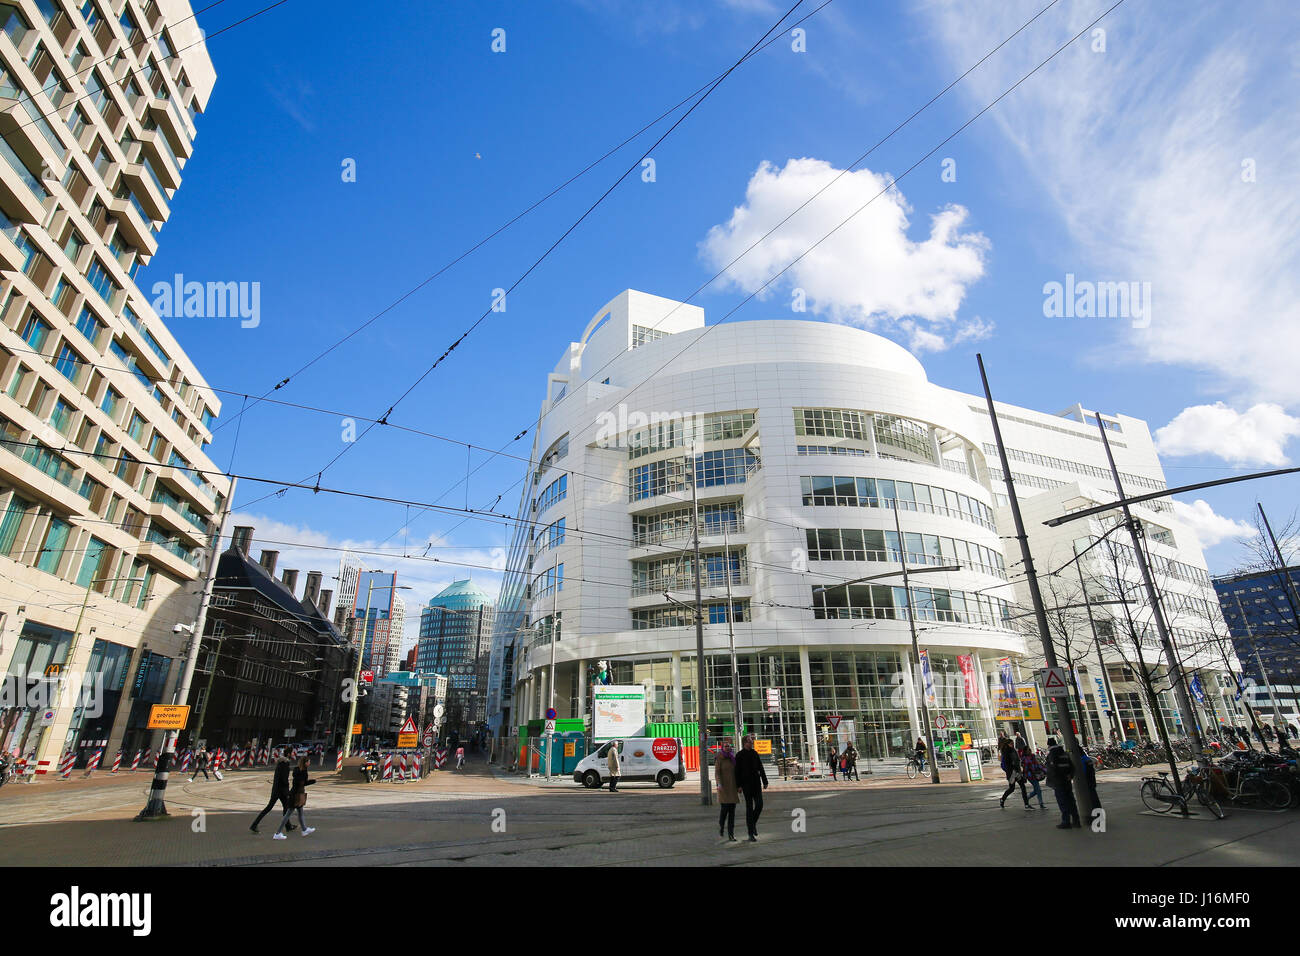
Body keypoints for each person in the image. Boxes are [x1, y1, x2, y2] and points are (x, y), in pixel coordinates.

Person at [273, 756, 316, 839]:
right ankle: (278, 833)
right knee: (288, 814)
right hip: (297, 795)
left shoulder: (297, 770)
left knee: (300, 813)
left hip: (296, 793)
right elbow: (302, 783)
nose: (309, 763)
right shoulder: (303, 772)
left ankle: (304, 829)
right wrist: (313, 781)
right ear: (305, 763)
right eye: (309, 762)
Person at [250, 751, 295, 833]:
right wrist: (287, 791)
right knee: (276, 808)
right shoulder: (285, 765)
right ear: (288, 754)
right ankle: (254, 825)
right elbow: (284, 779)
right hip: (281, 791)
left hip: (276, 790)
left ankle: (288, 826)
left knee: (282, 807)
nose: (292, 754)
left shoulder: (280, 764)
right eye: (291, 753)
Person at [735, 735, 768, 841]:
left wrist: (765, 781)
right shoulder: (739, 755)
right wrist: (738, 785)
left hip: (756, 784)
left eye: (751, 741)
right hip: (746, 785)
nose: (752, 743)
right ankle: (750, 833)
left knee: (759, 804)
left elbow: (760, 767)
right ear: (745, 743)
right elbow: (737, 772)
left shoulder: (754, 753)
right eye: (750, 741)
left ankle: (752, 823)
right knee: (749, 808)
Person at [1044, 737, 1080, 829]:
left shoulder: (1052, 755)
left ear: (1049, 745)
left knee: (1062, 801)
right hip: (1067, 781)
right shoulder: (1064, 753)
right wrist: (1070, 775)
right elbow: (1072, 766)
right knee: (1071, 800)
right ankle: (1076, 820)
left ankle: (1066, 821)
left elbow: (1053, 769)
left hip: (1058, 782)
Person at [715, 739, 739, 842]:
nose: (728, 748)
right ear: (722, 748)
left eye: (729, 746)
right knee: (724, 810)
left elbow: (737, 772)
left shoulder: (732, 758)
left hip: (732, 788)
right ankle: (721, 826)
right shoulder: (719, 758)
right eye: (726, 746)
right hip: (723, 788)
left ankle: (731, 834)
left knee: (732, 813)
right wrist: (719, 783)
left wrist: (739, 785)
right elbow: (717, 772)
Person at [998, 738, 1030, 810]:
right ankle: (1003, 799)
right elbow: (1009, 763)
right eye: (1011, 744)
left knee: (1022, 787)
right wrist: (1015, 769)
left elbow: (1017, 761)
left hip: (1015, 772)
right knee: (1012, 788)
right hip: (1012, 773)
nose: (1012, 745)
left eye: (1012, 744)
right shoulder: (1007, 752)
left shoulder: (1012, 751)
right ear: (1008, 744)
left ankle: (1026, 804)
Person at [1017, 739, 1047, 809]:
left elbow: (1037, 764)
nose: (1029, 751)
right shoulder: (1024, 759)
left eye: (1029, 749)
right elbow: (1026, 768)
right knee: (1038, 790)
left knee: (1037, 790)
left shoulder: (1032, 756)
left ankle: (1027, 799)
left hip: (1034, 775)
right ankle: (1041, 803)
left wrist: (1044, 769)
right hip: (1030, 776)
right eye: (1028, 750)